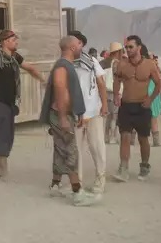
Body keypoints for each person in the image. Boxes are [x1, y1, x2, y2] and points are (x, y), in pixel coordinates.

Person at [40, 34, 99, 206]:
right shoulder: (62, 66)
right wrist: (63, 118)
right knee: (70, 151)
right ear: (72, 48)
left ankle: (55, 185)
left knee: (60, 149)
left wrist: (77, 113)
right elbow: (60, 90)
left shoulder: (67, 65)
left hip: (64, 114)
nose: (82, 48)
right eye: (79, 45)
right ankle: (77, 192)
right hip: (61, 115)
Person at [0, 30, 46, 178]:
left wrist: (43, 80)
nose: (16, 42)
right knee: (0, 134)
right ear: (5, 41)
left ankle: (0, 168)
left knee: (9, 135)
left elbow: (30, 68)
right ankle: (0, 170)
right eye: (14, 39)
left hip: (10, 103)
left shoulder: (15, 57)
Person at [112, 35, 161, 182]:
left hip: (142, 106)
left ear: (139, 47)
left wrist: (150, 99)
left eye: (130, 47)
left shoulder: (149, 64)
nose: (127, 49)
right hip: (126, 105)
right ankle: (123, 168)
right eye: (126, 47)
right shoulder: (122, 64)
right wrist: (116, 95)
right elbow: (117, 80)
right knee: (125, 137)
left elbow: (158, 84)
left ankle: (144, 166)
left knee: (143, 138)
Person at [68, 31, 108, 194]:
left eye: (76, 42)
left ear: (81, 45)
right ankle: (77, 183)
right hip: (74, 112)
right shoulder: (66, 63)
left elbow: (101, 83)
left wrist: (104, 104)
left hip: (93, 111)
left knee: (96, 146)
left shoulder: (91, 61)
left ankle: (100, 178)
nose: (73, 45)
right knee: (75, 149)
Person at [100, 42, 123, 144]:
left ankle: (106, 136)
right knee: (114, 116)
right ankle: (113, 137)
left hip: (105, 91)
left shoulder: (102, 63)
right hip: (115, 91)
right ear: (118, 52)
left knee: (108, 116)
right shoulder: (117, 63)